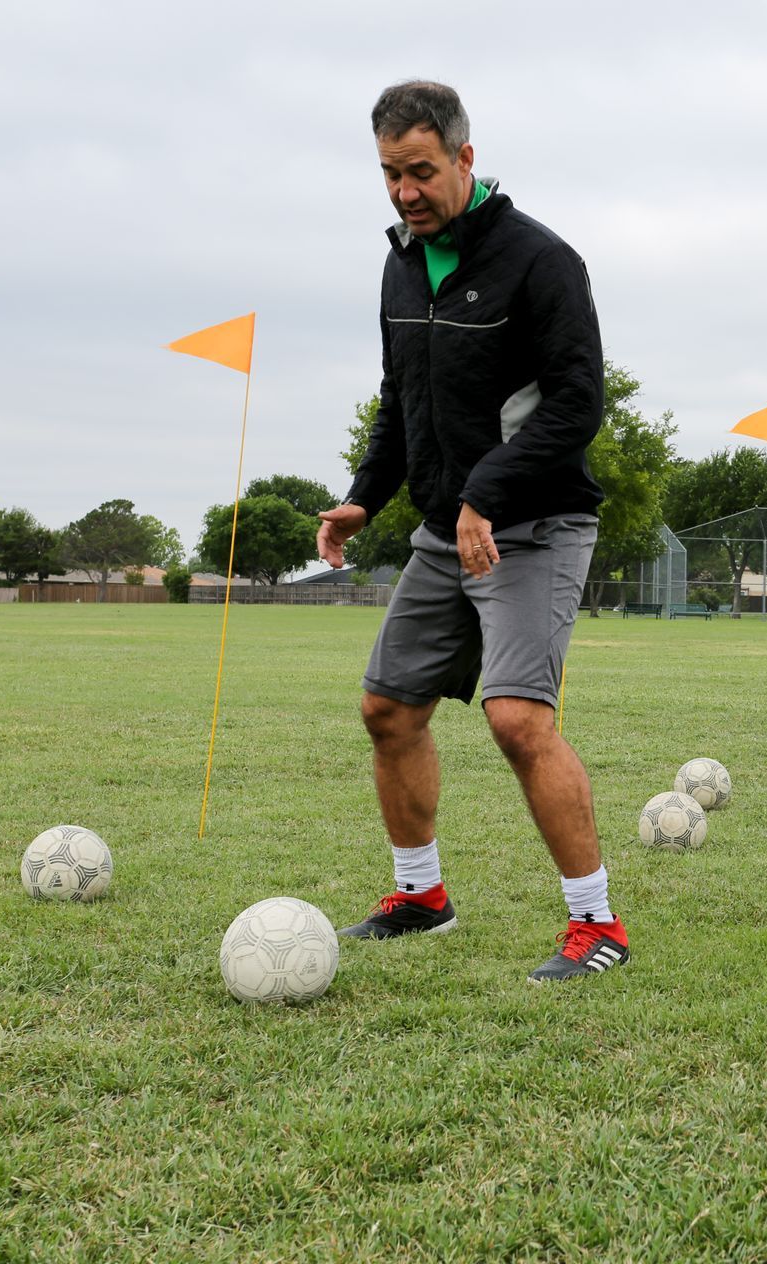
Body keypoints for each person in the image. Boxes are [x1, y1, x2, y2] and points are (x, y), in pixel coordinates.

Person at [317, 80, 628, 982]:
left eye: (420, 172)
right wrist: (365, 497)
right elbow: (399, 401)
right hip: (447, 529)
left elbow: (577, 405)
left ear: (465, 157)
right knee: (387, 708)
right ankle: (421, 897)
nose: (405, 193)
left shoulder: (542, 261)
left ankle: (596, 924)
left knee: (519, 718)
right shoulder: (401, 265)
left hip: (534, 523)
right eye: (389, 175)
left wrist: (486, 492)